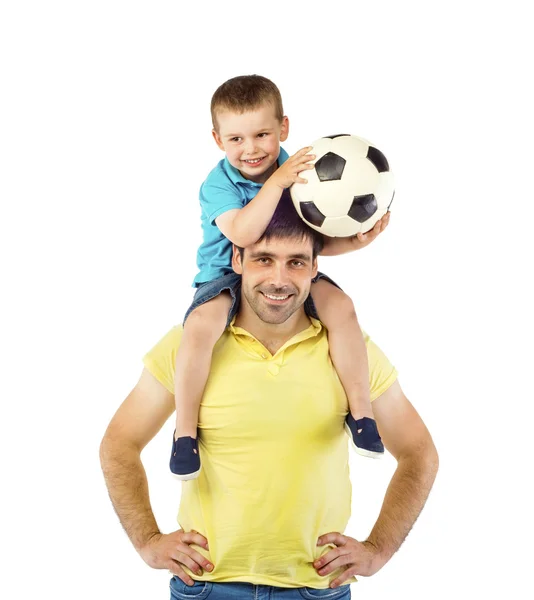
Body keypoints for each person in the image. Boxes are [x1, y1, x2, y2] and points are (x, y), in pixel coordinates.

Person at [99, 197, 439, 598]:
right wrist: (148, 541)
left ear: (315, 268)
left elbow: (419, 453)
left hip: (316, 589)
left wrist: (378, 550)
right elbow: (119, 444)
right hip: (208, 586)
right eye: (263, 259)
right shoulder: (190, 346)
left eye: (296, 262)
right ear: (237, 261)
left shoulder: (351, 353)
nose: (279, 279)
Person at [172, 74, 391, 480]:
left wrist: (357, 242)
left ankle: (361, 414)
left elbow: (311, 241)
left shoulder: (305, 172)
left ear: (283, 129)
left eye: (261, 134)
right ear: (218, 140)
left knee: (341, 307)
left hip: (286, 273)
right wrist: (276, 182)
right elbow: (243, 234)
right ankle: (185, 432)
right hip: (226, 274)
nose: (250, 149)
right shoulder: (218, 185)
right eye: (235, 139)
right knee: (201, 324)